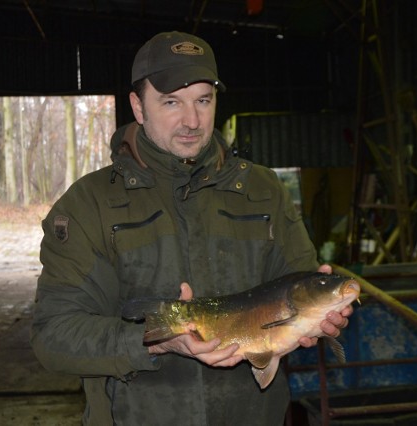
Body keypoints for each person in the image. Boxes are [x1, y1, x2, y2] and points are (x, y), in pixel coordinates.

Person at [31, 31, 353, 426]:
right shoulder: (89, 204)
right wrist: (156, 340)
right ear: (138, 105)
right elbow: (54, 336)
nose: (192, 121)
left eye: (203, 100)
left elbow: (291, 292)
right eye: (171, 102)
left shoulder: (263, 190)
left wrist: (317, 318)